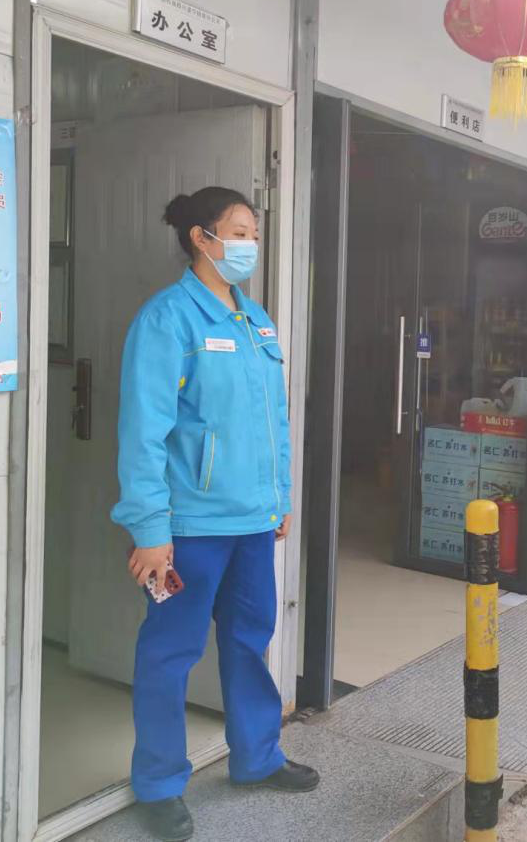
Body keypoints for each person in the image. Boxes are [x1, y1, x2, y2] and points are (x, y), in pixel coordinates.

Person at [111, 187, 317, 842]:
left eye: (253, 232)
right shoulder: (168, 319)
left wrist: (278, 497)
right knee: (170, 652)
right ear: (202, 238)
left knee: (250, 640)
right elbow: (143, 432)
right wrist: (149, 531)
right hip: (189, 528)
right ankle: (159, 783)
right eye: (238, 231)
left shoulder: (254, 320)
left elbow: (274, 421)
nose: (249, 243)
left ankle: (258, 756)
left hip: (252, 522)